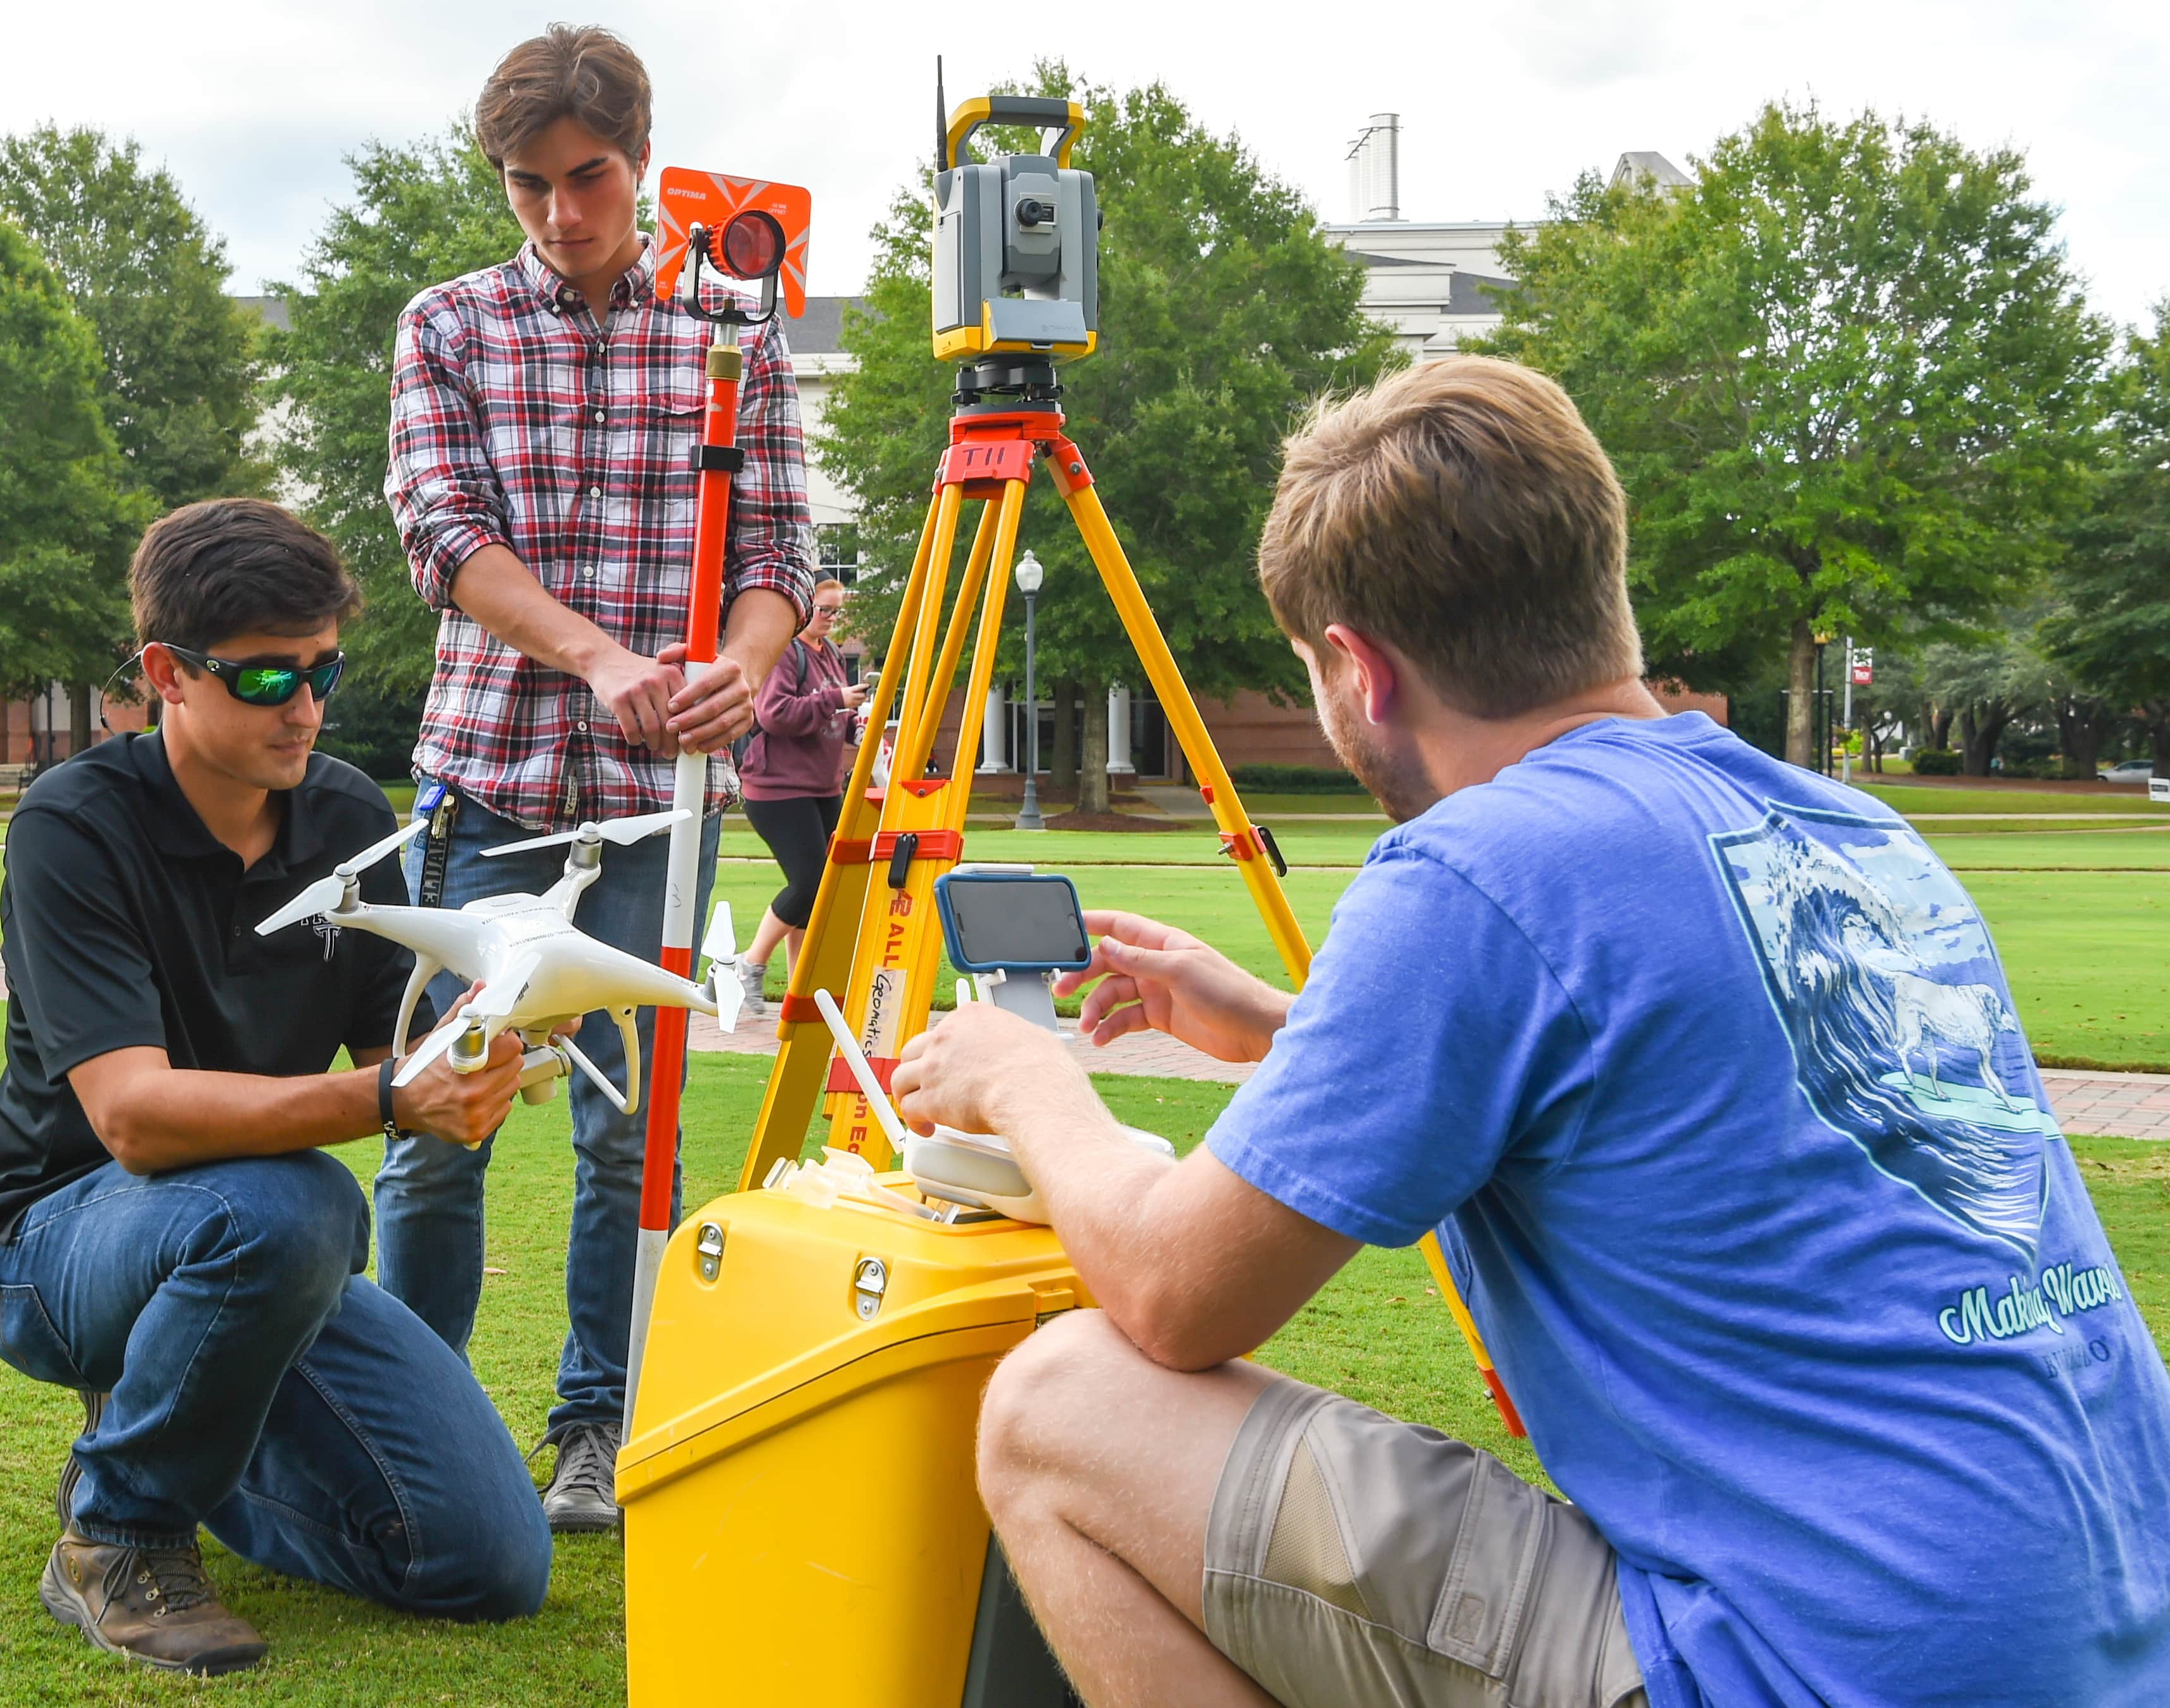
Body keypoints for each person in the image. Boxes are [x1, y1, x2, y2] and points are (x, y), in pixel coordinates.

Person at [891, 357, 2170, 1708]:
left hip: (1818, 1671)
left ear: (1358, 671)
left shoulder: (1477, 865)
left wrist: (1028, 1081)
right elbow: (1695, 1080)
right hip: (2101, 1642)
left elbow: (1172, 1293)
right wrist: (1289, 1026)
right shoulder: (1853, 828)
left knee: (1062, 1411)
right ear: (1598, 583)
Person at [0, 500, 551, 1678]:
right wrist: (388, 1105)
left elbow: (405, 1038)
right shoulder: (72, 825)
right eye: (270, 676)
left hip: (253, 1249)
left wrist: (511, 1012)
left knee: (485, 1566)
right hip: (58, 1240)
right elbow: (131, 1116)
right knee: (304, 1201)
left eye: (323, 670)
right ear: (169, 673)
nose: (310, 708)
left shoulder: (339, 810)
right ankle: (118, 1533)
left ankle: (174, 1427)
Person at [381, 23, 814, 1533]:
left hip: (654, 808)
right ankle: (412, 1424)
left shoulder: (729, 336)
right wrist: (601, 661)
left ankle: (595, 1421)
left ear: (639, 159)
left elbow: (777, 553)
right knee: (440, 1121)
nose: (560, 212)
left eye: (587, 177)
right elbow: (442, 538)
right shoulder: (445, 324)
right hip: (491, 780)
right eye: (527, 185)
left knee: (625, 1130)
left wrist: (743, 667)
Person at [734, 577, 865, 1012]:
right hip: (778, 788)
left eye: (836, 611)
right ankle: (748, 965)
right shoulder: (787, 653)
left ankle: (800, 987)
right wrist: (835, 699)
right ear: (804, 609)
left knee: (819, 889)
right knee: (809, 882)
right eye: (824, 610)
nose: (830, 619)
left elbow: (833, 715)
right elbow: (773, 714)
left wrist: (857, 722)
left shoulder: (828, 655)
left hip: (823, 785)